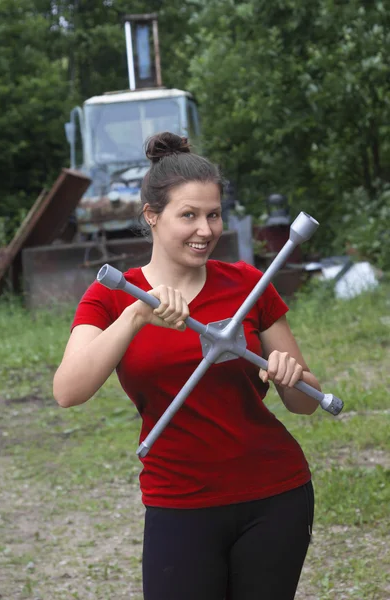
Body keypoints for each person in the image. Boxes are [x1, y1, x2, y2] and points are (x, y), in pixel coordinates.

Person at [53, 132, 320, 600]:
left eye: (213, 214)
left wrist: (290, 375)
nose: (205, 229)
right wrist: (137, 314)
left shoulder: (247, 285)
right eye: (189, 215)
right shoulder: (114, 294)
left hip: (274, 494)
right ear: (152, 217)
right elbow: (68, 391)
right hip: (178, 500)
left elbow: (304, 403)